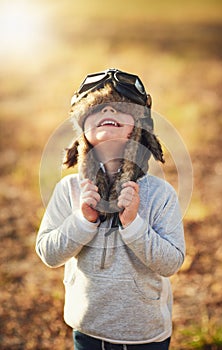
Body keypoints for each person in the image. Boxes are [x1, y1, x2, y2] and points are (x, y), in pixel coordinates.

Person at [36, 68, 185, 350]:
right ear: (82, 128)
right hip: (88, 329)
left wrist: (134, 224)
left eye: (121, 107)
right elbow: (48, 254)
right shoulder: (69, 191)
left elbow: (172, 263)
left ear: (140, 126)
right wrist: (82, 220)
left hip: (146, 334)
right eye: (96, 108)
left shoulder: (160, 194)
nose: (109, 109)